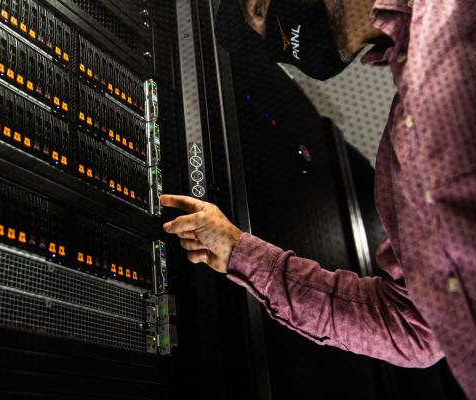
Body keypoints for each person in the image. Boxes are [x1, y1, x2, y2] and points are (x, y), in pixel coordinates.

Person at [160, 0, 476, 398]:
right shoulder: (399, 149)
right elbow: (414, 327)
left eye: (254, 6)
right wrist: (241, 252)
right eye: (259, 30)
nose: (263, 18)